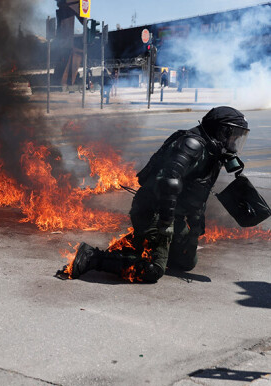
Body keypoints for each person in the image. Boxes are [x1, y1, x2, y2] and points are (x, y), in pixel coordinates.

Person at [66, 106, 250, 283]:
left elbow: (198, 189)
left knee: (186, 262)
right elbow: (169, 181)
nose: (233, 142)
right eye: (233, 135)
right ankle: (92, 257)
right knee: (152, 270)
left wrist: (196, 222)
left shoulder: (213, 150)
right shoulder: (192, 144)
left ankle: (138, 245)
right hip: (153, 210)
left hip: (174, 214)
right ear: (221, 131)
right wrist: (165, 223)